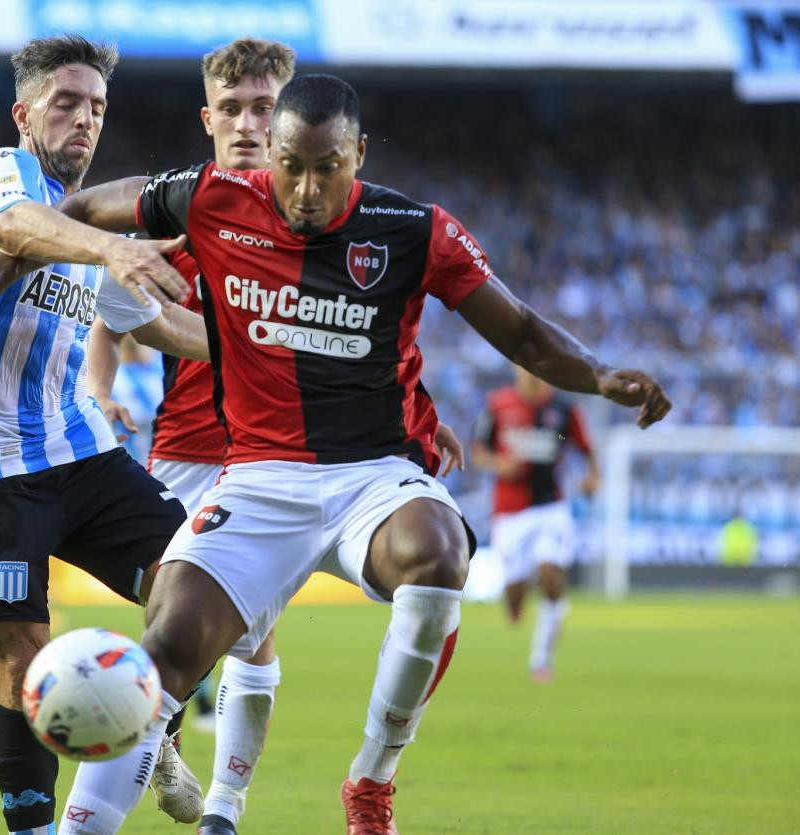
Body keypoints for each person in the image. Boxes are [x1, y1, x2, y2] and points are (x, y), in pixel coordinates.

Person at [51, 73, 672, 834]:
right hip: (256, 479)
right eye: (290, 165)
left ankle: (372, 781)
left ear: (359, 154)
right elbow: (74, 212)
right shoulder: (210, 196)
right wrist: (73, 257)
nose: (306, 188)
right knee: (167, 648)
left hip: (373, 478)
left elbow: (520, 331)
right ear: (268, 153)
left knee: (438, 551)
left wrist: (601, 375)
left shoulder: (414, 229)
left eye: (328, 166)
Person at [85, 38, 463, 835]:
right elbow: (112, 307)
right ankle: (160, 747)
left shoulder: (316, 216)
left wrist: (419, 415)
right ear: (209, 118)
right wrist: (100, 385)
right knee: (176, 631)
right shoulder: (192, 213)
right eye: (235, 110)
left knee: (253, 640)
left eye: (266, 108)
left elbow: (362, 343)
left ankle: (225, 806)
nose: (251, 124)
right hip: (190, 449)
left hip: (287, 456)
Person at [0, 35, 212, 835]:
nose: (85, 119)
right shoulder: (4, 176)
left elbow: (159, 324)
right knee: (20, 660)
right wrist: (117, 246)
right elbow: (19, 226)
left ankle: (147, 735)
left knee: (203, 581)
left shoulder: (91, 238)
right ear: (24, 114)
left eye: (97, 107)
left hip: (76, 447)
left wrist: (258, 340)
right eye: (66, 103)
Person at [471, 365, 599, 682]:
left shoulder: (562, 410)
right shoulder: (498, 405)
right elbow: (478, 451)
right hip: (509, 513)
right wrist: (499, 464)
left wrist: (593, 476)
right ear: (516, 370)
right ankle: (516, 601)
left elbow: (586, 448)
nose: (532, 374)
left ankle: (541, 659)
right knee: (514, 594)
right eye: (526, 368)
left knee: (550, 573)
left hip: (550, 507)